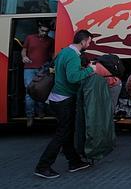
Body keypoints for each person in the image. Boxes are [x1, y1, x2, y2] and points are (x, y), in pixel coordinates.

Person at [34, 30, 94, 179]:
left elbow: (57, 70)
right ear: (83, 41)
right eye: (89, 41)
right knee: (62, 134)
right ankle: (43, 166)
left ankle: (74, 162)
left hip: (56, 98)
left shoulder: (64, 52)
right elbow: (73, 77)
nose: (89, 44)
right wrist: (89, 70)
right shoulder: (73, 56)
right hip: (64, 99)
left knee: (66, 131)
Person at [22, 21, 54, 127]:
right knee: (29, 92)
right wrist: (24, 57)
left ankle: (40, 111)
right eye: (42, 30)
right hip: (29, 68)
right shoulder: (30, 38)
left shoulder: (50, 41)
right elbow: (24, 50)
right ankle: (30, 116)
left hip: (43, 69)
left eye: (47, 31)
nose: (44, 33)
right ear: (38, 29)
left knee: (42, 92)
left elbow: (52, 55)